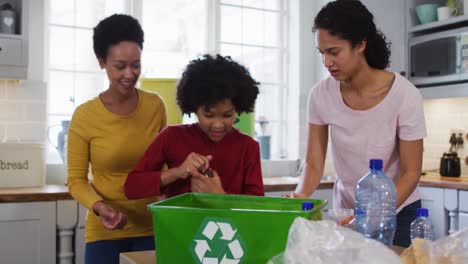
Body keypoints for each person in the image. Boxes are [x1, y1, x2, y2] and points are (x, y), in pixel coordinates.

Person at [290, 0, 426, 247]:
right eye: (322, 53)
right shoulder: (320, 95)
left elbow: (411, 172)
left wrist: (375, 215)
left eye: (334, 52)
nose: (326, 63)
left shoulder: (405, 95)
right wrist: (302, 194)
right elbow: (313, 162)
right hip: (347, 213)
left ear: (360, 45)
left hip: (399, 211)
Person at [67, 14, 166, 264]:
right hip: (105, 230)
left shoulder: (155, 106)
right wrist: (100, 207)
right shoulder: (85, 115)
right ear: (102, 62)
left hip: (152, 228)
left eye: (136, 64)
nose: (130, 74)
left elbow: (165, 167)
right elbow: (76, 181)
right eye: (120, 66)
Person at [124, 54, 264, 199]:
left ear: (238, 108)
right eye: (208, 115)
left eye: (227, 115)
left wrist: (219, 196)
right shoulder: (171, 137)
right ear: (194, 108)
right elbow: (131, 188)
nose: (218, 124)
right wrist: (178, 172)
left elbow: (257, 209)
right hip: (177, 222)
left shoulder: (249, 147)